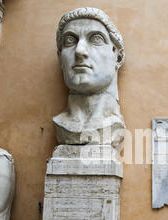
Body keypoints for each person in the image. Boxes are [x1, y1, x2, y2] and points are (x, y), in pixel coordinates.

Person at [53, 7, 126, 148]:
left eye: (96, 39)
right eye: (70, 40)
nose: (79, 50)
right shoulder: (60, 124)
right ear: (60, 59)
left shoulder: (112, 125)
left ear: (118, 57)